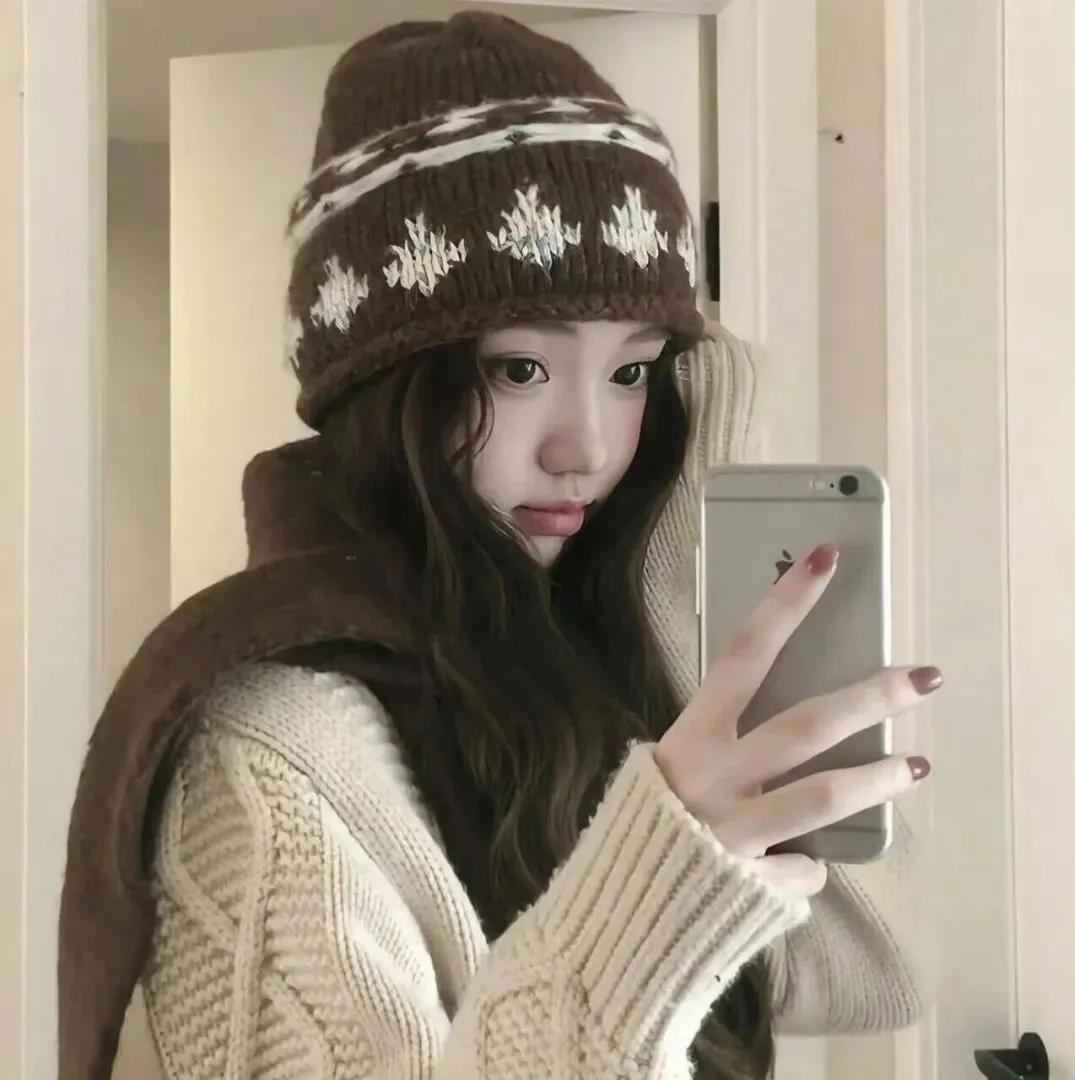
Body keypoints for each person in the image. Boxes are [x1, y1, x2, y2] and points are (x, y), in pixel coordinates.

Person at [59, 12, 938, 1080]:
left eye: (633, 372)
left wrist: (669, 571)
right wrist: (661, 880)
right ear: (388, 388)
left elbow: (868, 979)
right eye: (520, 369)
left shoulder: (566, 651)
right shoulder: (276, 740)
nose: (589, 451)